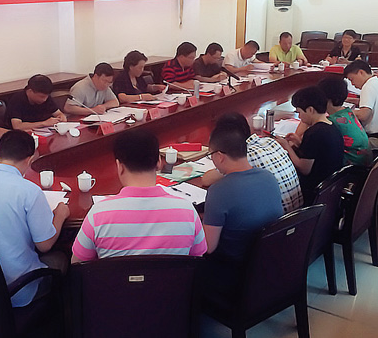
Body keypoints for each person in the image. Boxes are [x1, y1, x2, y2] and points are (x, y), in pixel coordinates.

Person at [0, 130, 70, 307]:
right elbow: (45, 244)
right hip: (18, 289)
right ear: (29, 160)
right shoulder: (30, 192)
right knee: (62, 259)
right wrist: (60, 215)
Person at [72, 129, 207, 262]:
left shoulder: (98, 214)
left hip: (116, 278)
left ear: (119, 166)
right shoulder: (187, 211)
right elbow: (197, 259)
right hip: (173, 278)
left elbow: (78, 264)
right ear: (159, 162)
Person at [202, 127, 282, 294]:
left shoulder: (219, 191)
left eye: (211, 156)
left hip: (234, 272)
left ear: (220, 156)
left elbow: (208, 247)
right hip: (269, 263)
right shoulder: (269, 177)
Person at [201, 112, 303, 213]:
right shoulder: (270, 141)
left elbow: (207, 180)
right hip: (300, 214)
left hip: (278, 219)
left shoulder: (242, 156)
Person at [275, 87, 344, 204]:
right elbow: (317, 151)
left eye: (299, 112)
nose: (299, 117)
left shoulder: (314, 132)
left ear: (310, 110)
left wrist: (287, 147)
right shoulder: (331, 126)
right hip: (331, 187)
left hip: (315, 189)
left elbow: (304, 169)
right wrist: (299, 142)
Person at [317, 77, 372, 166]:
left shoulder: (331, 122)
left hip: (352, 168)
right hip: (365, 162)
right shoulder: (348, 112)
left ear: (325, 98)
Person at [343, 60, 378, 144]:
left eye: (351, 79)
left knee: (342, 143)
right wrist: (348, 99)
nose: (352, 84)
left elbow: (363, 115)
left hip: (375, 140)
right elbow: (371, 103)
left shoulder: (368, 86)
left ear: (361, 72)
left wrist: (343, 111)